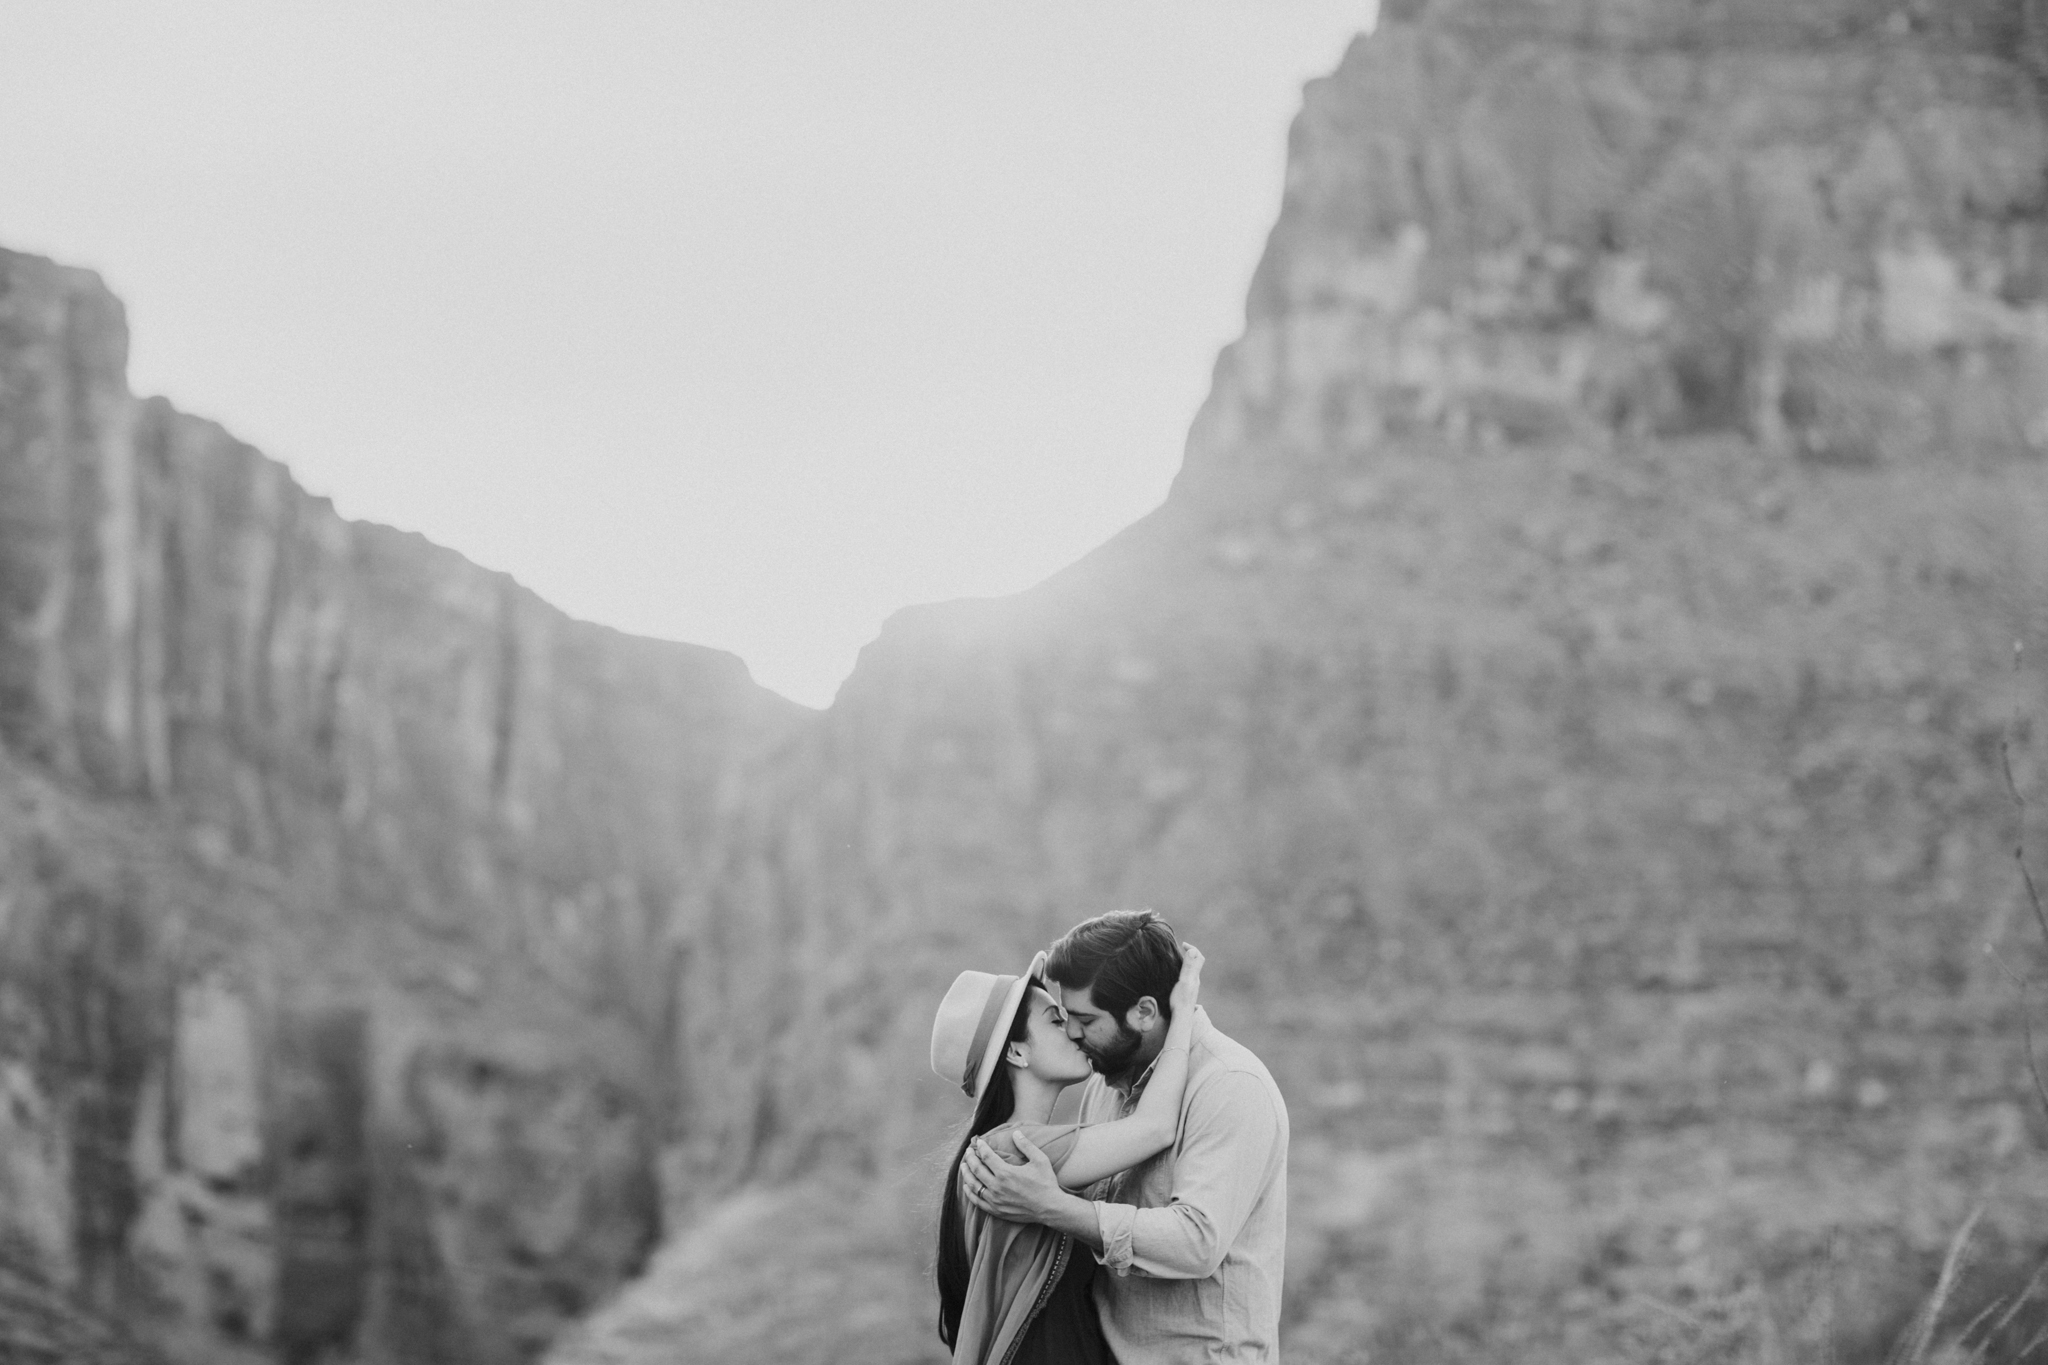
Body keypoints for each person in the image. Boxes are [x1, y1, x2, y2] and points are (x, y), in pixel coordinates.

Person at [959, 910, 1290, 1365]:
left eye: (1083, 1019)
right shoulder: (1104, 1085)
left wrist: (1055, 1208)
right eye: (1062, 1018)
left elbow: (1196, 1242)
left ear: (1145, 1012)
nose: (1074, 1033)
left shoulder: (1230, 1086)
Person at [931, 942, 1205, 1365]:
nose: (1075, 1031)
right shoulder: (1018, 1150)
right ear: (1016, 1052)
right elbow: (1155, 1127)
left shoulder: (1007, 1148)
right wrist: (1182, 1011)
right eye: (1055, 1021)